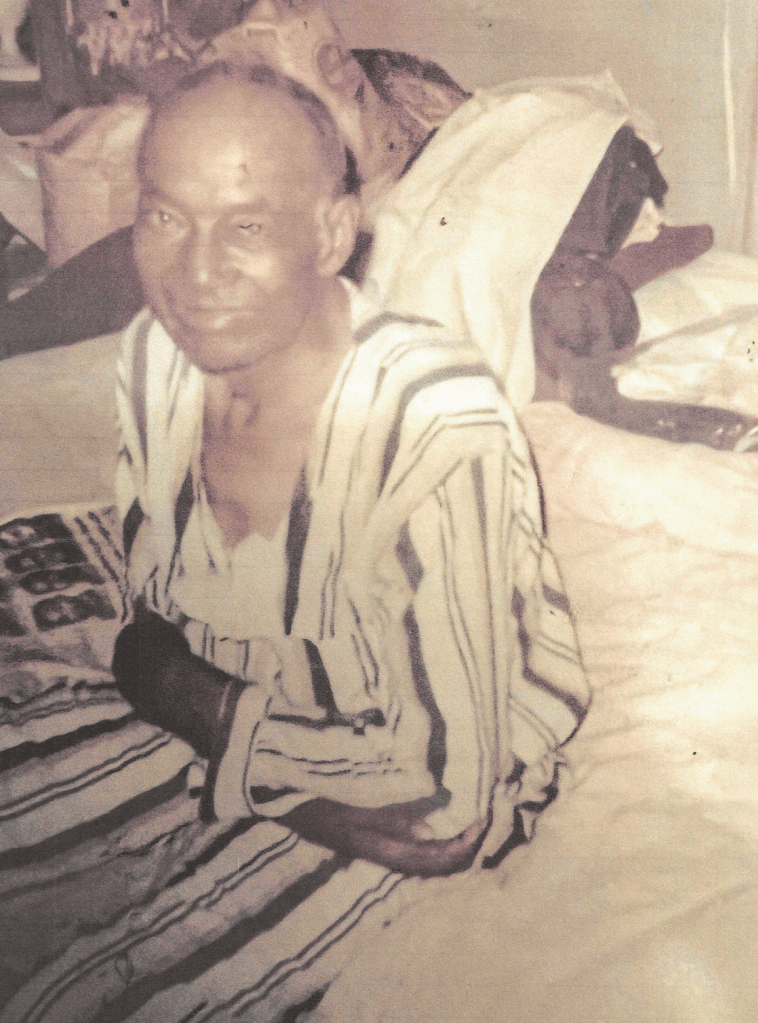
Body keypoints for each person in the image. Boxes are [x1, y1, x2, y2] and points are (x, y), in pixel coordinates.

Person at [1, 61, 588, 1023]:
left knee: (81, 996)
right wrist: (180, 687)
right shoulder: (156, 354)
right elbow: (157, 608)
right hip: (231, 703)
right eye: (164, 218)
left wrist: (184, 698)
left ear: (330, 231)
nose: (193, 273)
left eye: (245, 225)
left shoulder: (434, 429)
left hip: (407, 780)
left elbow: (443, 805)